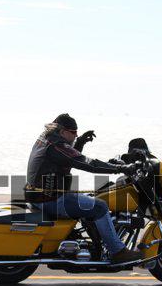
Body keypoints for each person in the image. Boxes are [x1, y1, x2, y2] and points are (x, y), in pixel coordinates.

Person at [25, 113, 147, 265]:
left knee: (92, 198)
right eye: (73, 132)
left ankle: (97, 244)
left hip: (39, 196)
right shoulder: (56, 146)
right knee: (100, 206)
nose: (76, 135)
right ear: (62, 131)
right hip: (50, 199)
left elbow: (68, 158)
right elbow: (88, 164)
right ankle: (118, 252)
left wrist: (80, 143)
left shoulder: (46, 139)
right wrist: (121, 168)